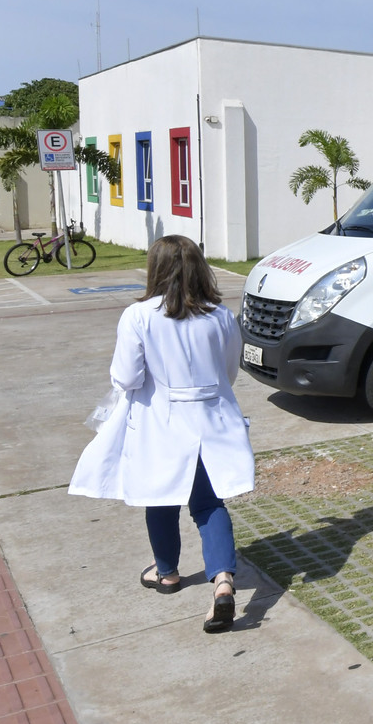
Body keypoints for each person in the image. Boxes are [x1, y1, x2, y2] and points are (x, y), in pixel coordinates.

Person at [69, 235, 254, 632]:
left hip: (161, 423)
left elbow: (127, 376)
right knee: (208, 504)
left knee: (161, 497)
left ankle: (167, 572)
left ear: (156, 269)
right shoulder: (220, 315)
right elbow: (229, 372)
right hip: (211, 420)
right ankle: (223, 581)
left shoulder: (139, 316)